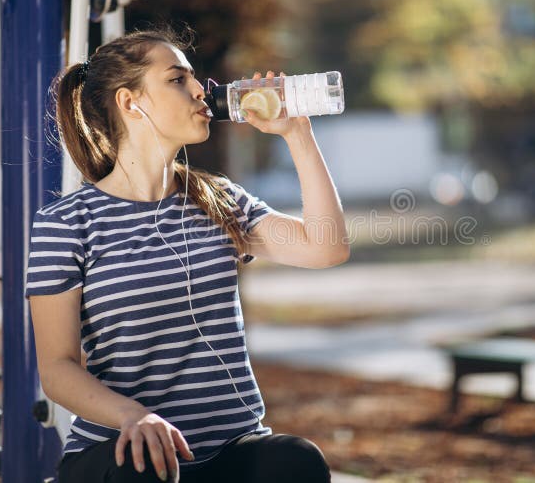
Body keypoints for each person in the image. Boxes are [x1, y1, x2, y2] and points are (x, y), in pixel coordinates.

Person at [24, 26, 350, 483]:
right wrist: (132, 416)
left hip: (231, 449)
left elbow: (327, 247)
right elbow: (57, 369)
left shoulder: (217, 200)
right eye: (177, 79)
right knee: (145, 470)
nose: (201, 90)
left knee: (296, 460)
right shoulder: (66, 223)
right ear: (130, 102)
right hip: (124, 453)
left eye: (194, 78)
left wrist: (297, 134)